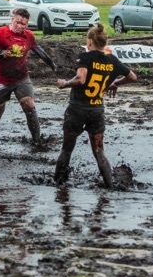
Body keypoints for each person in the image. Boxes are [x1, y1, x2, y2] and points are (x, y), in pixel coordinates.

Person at [54, 23, 137, 188]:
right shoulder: (112, 60)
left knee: (67, 149)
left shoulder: (85, 57)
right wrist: (115, 84)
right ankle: (110, 186)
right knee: (99, 151)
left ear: (90, 41)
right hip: (97, 111)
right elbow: (133, 77)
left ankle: (57, 185)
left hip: (77, 109)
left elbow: (80, 79)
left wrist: (64, 84)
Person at [0, 8, 56, 146]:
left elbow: (38, 50)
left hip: (21, 78)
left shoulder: (28, 36)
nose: (20, 26)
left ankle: (37, 140)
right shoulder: (0, 33)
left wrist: (51, 63)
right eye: (18, 22)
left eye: (24, 24)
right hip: (1, 80)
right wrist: (0, 52)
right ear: (12, 20)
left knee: (29, 105)